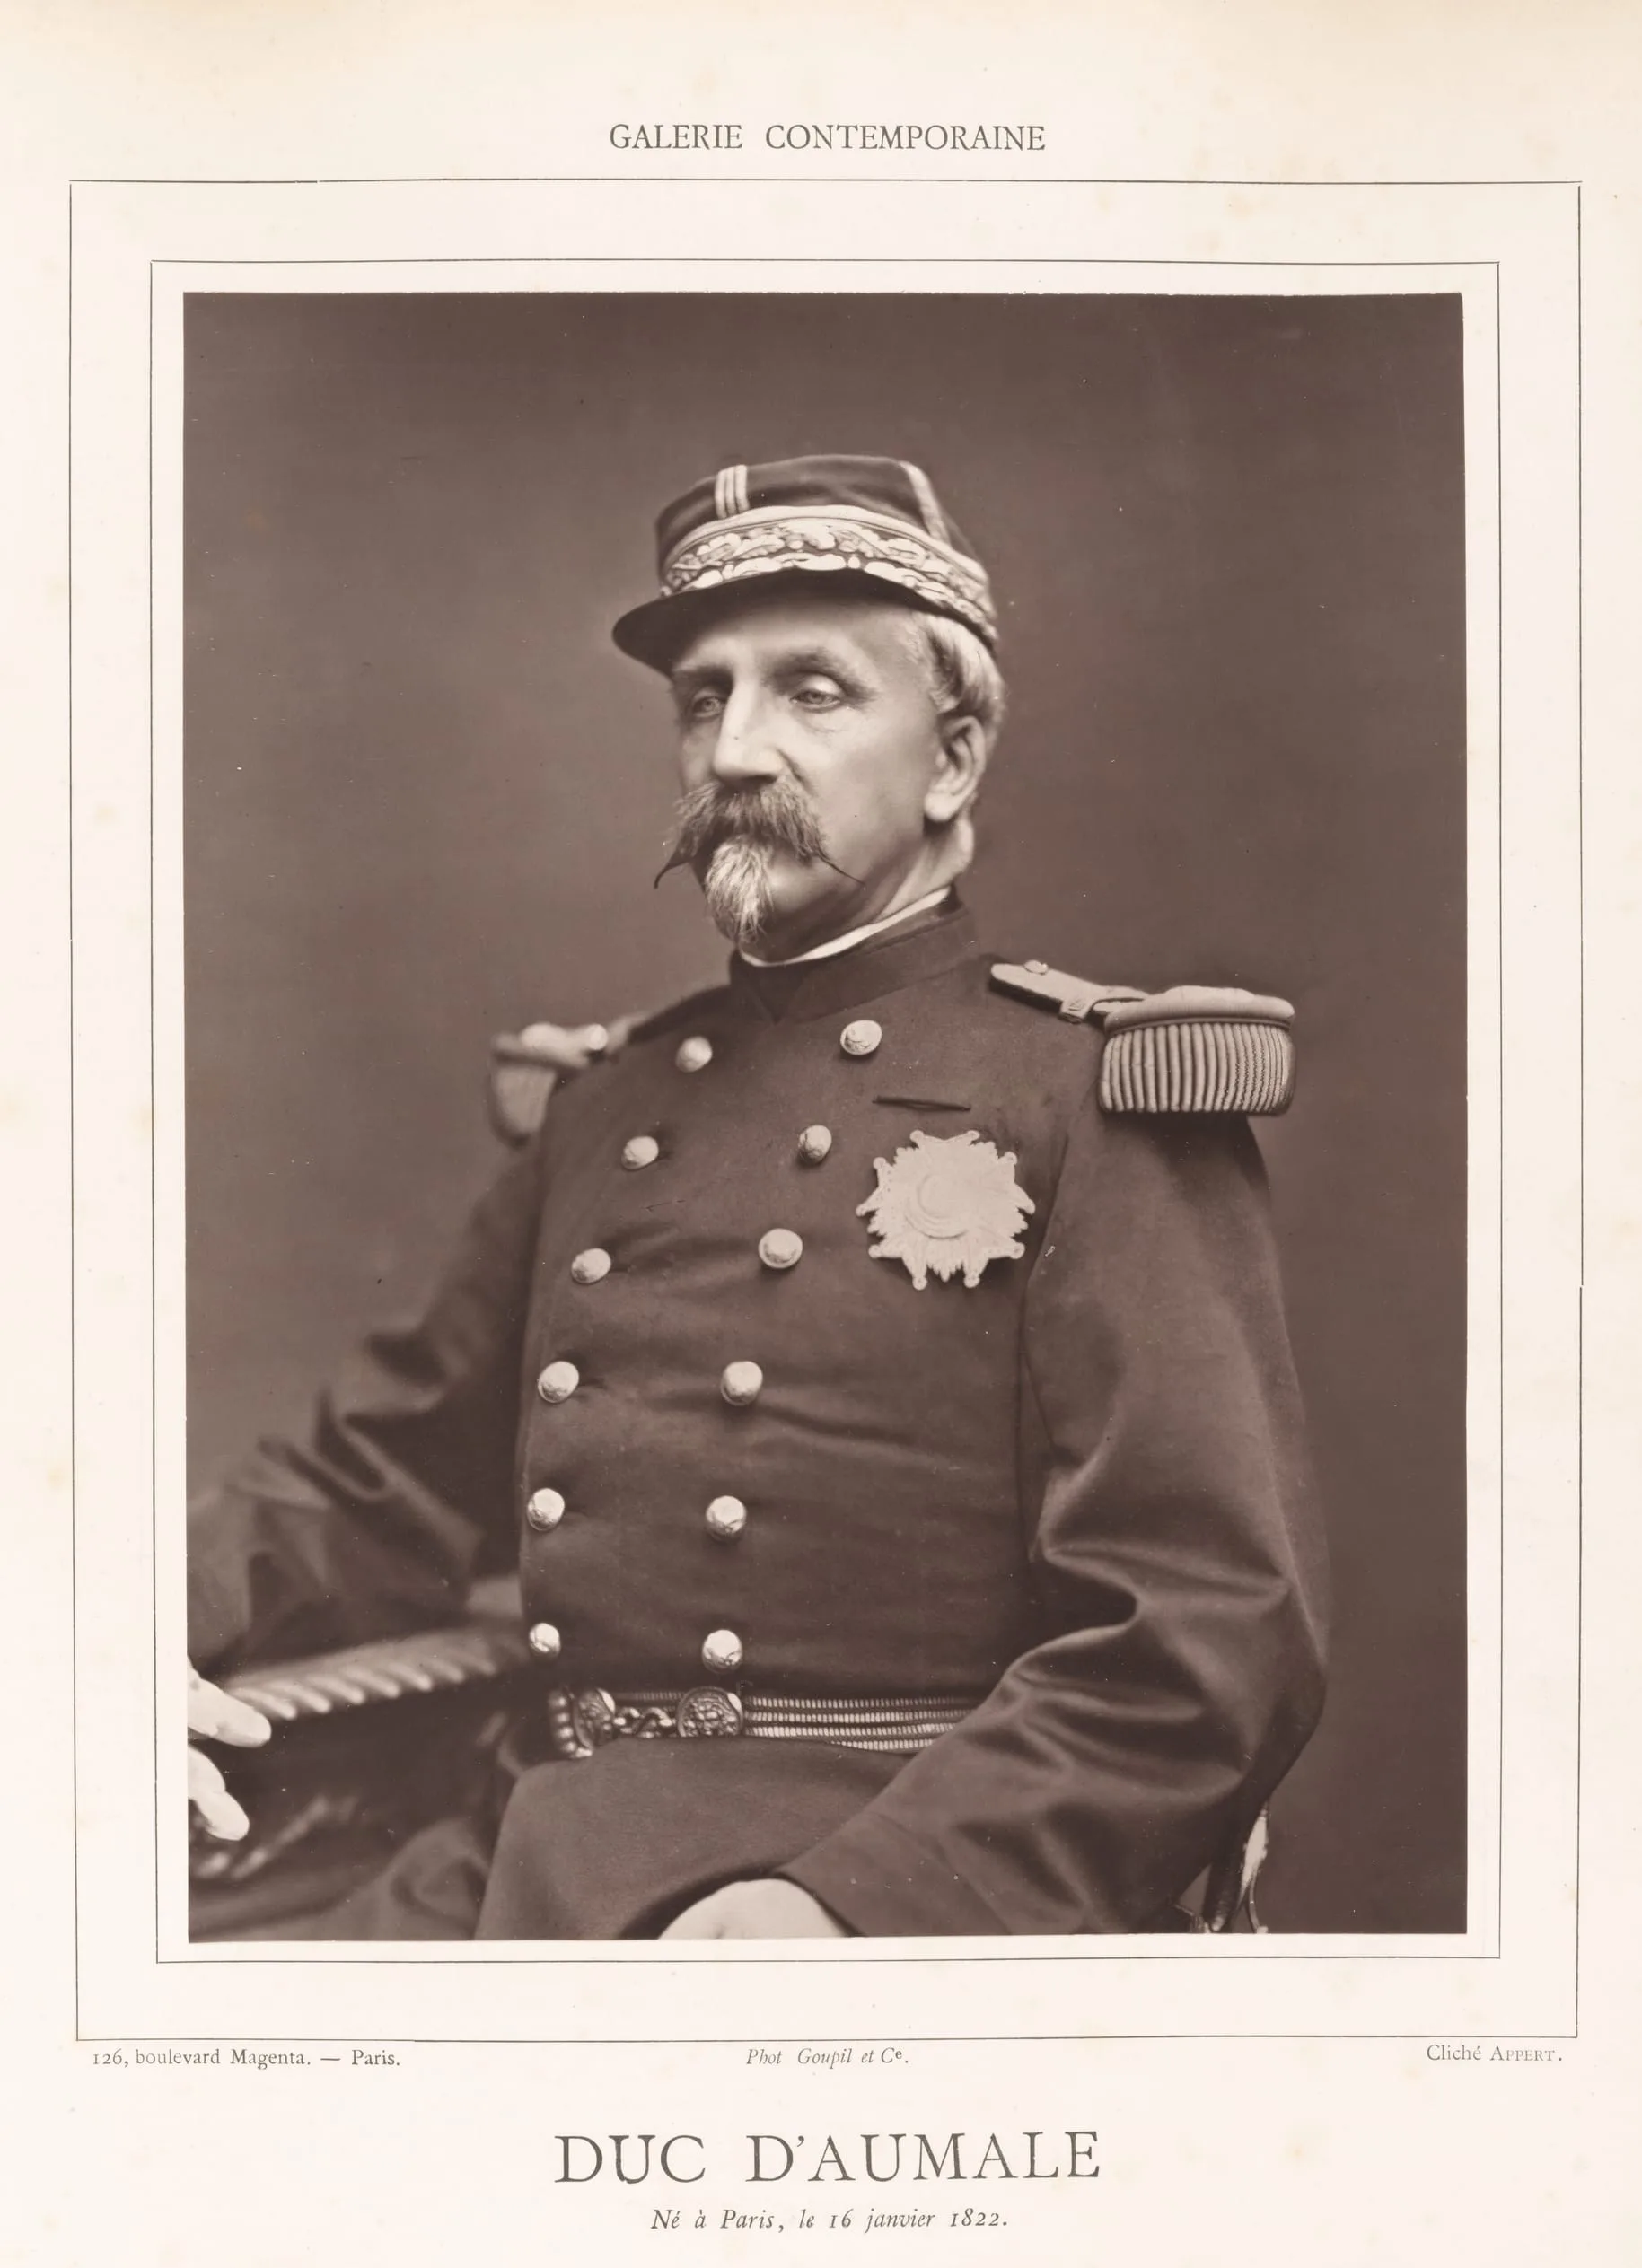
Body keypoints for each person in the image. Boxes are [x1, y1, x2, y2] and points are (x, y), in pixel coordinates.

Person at [187, 453, 1326, 1940]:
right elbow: (375, 1487)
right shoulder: (607, 1102)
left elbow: (1204, 1637)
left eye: (814, 693)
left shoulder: (1088, 1096)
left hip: (897, 1881)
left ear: (953, 759)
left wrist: (852, 1904)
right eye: (703, 699)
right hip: (530, 1854)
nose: (734, 752)